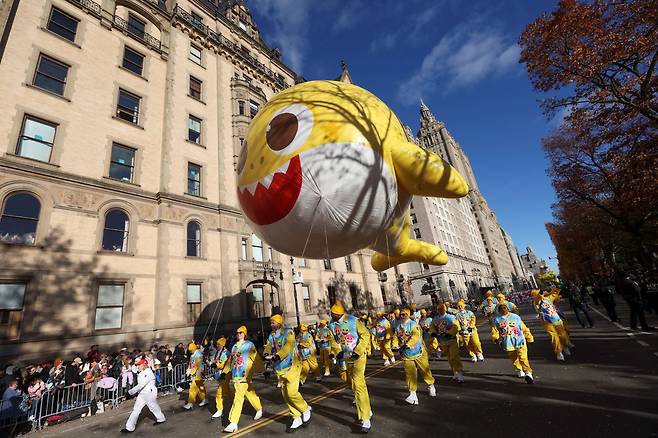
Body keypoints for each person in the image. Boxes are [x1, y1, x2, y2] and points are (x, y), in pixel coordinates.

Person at [328, 301, 372, 433]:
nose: (331, 315)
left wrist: (358, 351)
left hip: (358, 357)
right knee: (354, 383)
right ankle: (367, 410)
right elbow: (333, 341)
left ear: (338, 313)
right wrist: (338, 352)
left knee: (358, 384)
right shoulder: (331, 325)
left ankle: (365, 419)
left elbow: (365, 335)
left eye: (332, 313)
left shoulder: (354, 321)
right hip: (346, 358)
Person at [263, 314, 311, 432]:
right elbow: (269, 345)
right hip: (280, 369)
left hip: (292, 366)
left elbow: (288, 346)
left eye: (273, 322)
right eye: (271, 323)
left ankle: (305, 409)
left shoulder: (289, 333)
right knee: (285, 395)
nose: (271, 325)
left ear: (279, 323)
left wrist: (277, 356)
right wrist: (266, 352)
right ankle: (296, 417)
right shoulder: (271, 335)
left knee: (292, 393)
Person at [223, 327, 263, 433]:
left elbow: (256, 358)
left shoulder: (249, 345)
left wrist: (264, 370)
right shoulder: (234, 346)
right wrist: (225, 372)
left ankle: (233, 422)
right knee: (249, 392)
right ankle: (258, 407)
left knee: (238, 398)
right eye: (237, 333)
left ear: (245, 334)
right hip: (236, 375)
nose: (239, 334)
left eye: (241, 333)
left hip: (245, 375)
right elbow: (230, 361)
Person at [396, 307, 436, 405]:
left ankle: (431, 385)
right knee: (410, 374)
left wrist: (408, 344)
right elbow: (396, 337)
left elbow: (415, 336)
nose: (402, 316)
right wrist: (394, 345)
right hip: (406, 355)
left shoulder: (414, 325)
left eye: (404, 314)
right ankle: (413, 393)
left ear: (408, 315)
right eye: (401, 314)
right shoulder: (398, 327)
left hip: (418, 352)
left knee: (424, 370)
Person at [491, 302, 535, 383]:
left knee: (523, 357)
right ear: (498, 310)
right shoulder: (497, 320)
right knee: (514, 358)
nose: (503, 310)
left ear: (508, 308)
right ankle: (519, 369)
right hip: (507, 343)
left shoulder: (515, 317)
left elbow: (523, 328)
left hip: (519, 340)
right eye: (501, 308)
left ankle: (528, 373)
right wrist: (496, 339)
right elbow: (495, 331)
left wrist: (530, 338)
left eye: (505, 307)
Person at [120, 358, 166, 433]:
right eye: (138, 365)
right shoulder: (142, 372)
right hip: (142, 393)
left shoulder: (148, 373)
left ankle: (161, 418)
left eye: (139, 365)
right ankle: (129, 427)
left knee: (153, 407)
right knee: (136, 409)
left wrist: (130, 392)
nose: (138, 366)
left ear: (144, 364)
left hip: (149, 393)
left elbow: (141, 385)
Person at [531, 290, 571, 361]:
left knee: (563, 335)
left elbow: (556, 294)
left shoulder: (548, 298)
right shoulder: (536, 302)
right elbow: (537, 303)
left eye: (540, 293)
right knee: (554, 337)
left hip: (557, 320)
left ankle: (565, 346)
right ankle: (559, 352)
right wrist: (540, 297)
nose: (540, 294)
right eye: (538, 293)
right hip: (547, 322)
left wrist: (552, 291)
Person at [431, 302, 464, 383]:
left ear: (445, 309)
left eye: (442, 309)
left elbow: (456, 326)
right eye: (439, 309)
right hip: (442, 341)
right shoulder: (435, 319)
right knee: (449, 358)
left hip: (452, 340)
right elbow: (432, 326)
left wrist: (450, 333)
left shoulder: (451, 317)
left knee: (454, 356)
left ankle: (459, 372)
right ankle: (455, 372)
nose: (440, 311)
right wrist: (433, 332)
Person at [211, 337, 232, 420]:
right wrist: (212, 363)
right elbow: (216, 361)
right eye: (217, 344)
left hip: (225, 374)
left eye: (219, 344)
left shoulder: (226, 353)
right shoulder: (217, 352)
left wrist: (216, 365)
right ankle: (237, 400)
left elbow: (224, 364)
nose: (217, 345)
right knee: (227, 391)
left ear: (222, 345)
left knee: (219, 392)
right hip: (218, 374)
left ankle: (219, 410)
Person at [183, 342, 208, 409]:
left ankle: (190, 402)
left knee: (192, 388)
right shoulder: (192, 355)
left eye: (191, 350)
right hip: (193, 373)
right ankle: (204, 399)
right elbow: (191, 363)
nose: (191, 351)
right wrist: (188, 369)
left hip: (198, 373)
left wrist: (191, 371)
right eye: (190, 350)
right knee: (200, 387)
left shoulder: (199, 355)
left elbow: (197, 364)